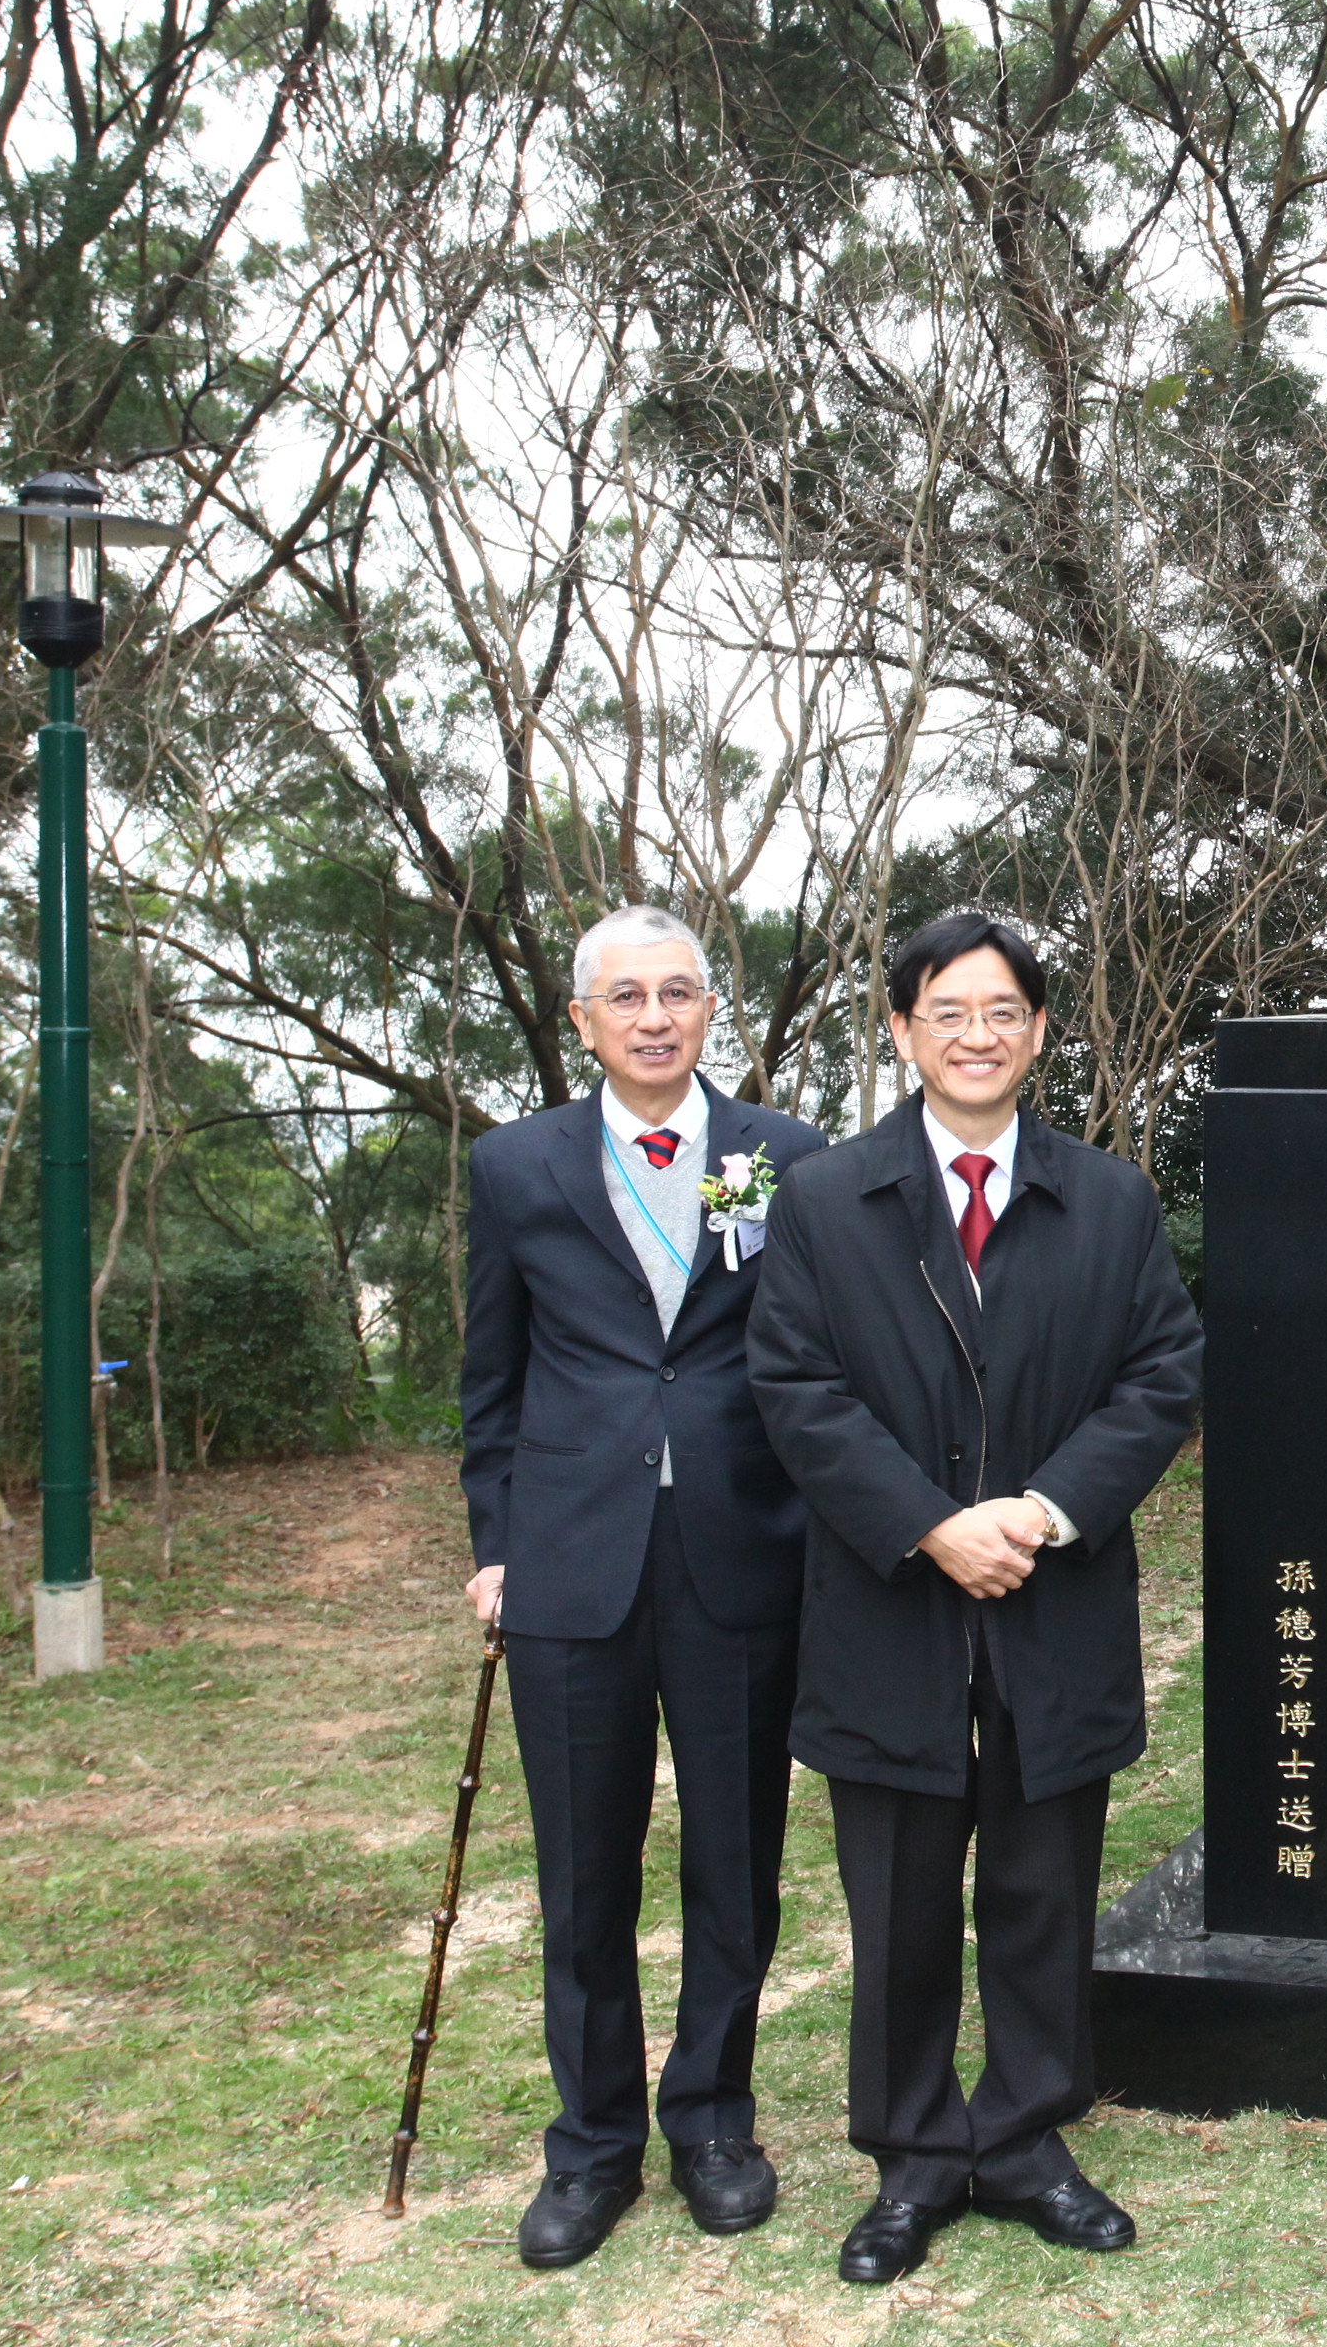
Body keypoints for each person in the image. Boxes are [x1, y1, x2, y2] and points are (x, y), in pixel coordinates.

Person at [744, 911, 1202, 2287]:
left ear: (1040, 1031)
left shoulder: (1108, 1200)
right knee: (895, 1902)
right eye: (948, 1011)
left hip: (1053, 1603)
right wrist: (934, 1526)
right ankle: (914, 2157)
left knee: (1044, 1886)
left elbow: (1161, 1374)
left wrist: (1046, 1512)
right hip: (892, 1606)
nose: (977, 1034)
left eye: (1004, 1011)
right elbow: (794, 1387)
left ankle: (1026, 2142)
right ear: (900, 1031)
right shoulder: (829, 1198)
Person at [457, 904, 828, 2271]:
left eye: (679, 992)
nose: (656, 1017)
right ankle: (593, 2147)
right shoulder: (516, 1167)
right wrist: (494, 1546)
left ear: (710, 1010)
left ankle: (715, 2121)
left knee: (736, 1864)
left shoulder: (785, 1158)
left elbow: (811, 1357)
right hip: (569, 1559)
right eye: (628, 997)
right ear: (585, 1020)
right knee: (583, 1875)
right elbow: (489, 1383)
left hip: (743, 1551)